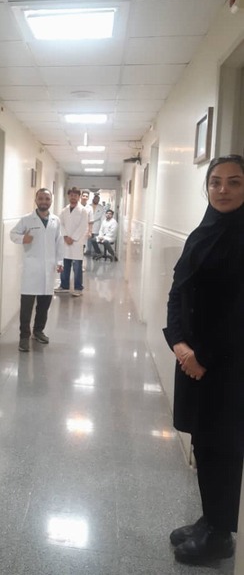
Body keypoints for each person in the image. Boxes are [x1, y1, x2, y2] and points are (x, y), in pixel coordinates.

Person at [163, 154, 244, 564]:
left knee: (223, 447)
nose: (223, 190)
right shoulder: (202, 232)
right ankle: (210, 519)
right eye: (215, 182)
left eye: (234, 182)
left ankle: (220, 535)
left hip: (225, 368)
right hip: (191, 359)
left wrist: (202, 357)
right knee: (204, 442)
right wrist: (178, 343)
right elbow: (178, 289)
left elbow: (237, 314)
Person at [10, 188, 64, 352]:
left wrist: (60, 261)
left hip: (49, 268)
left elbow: (59, 242)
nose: (44, 202)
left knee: (44, 304)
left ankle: (38, 331)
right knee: (26, 306)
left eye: (47, 199)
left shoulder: (55, 220)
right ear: (36, 200)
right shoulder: (27, 219)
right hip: (31, 269)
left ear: (51, 201)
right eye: (41, 198)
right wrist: (23, 238)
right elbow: (13, 234)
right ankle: (24, 337)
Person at [55, 187, 90, 296]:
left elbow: (83, 226)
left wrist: (73, 238)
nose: (73, 197)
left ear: (79, 197)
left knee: (77, 267)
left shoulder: (83, 211)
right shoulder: (64, 210)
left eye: (75, 195)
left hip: (77, 242)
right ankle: (64, 286)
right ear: (68, 196)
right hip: (65, 241)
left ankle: (78, 288)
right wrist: (65, 236)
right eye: (71, 195)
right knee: (65, 265)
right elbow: (61, 224)